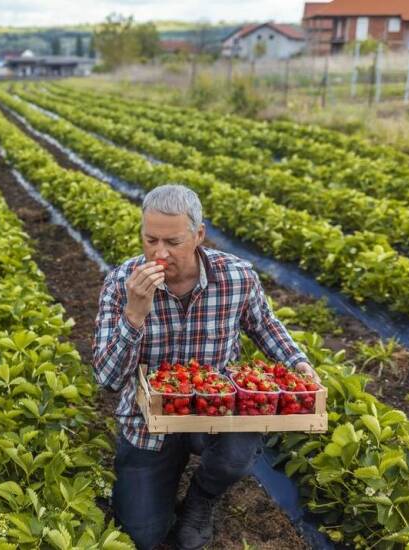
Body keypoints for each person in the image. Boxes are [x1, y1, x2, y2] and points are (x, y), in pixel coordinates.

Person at [92, 184, 319, 550]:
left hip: (215, 408)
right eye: (150, 240)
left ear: (199, 235)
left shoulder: (237, 277)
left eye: (173, 241)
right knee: (142, 536)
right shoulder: (122, 284)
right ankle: (158, 493)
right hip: (148, 423)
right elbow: (107, 379)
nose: (160, 253)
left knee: (241, 444)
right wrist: (134, 315)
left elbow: (265, 326)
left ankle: (202, 498)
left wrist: (299, 364)